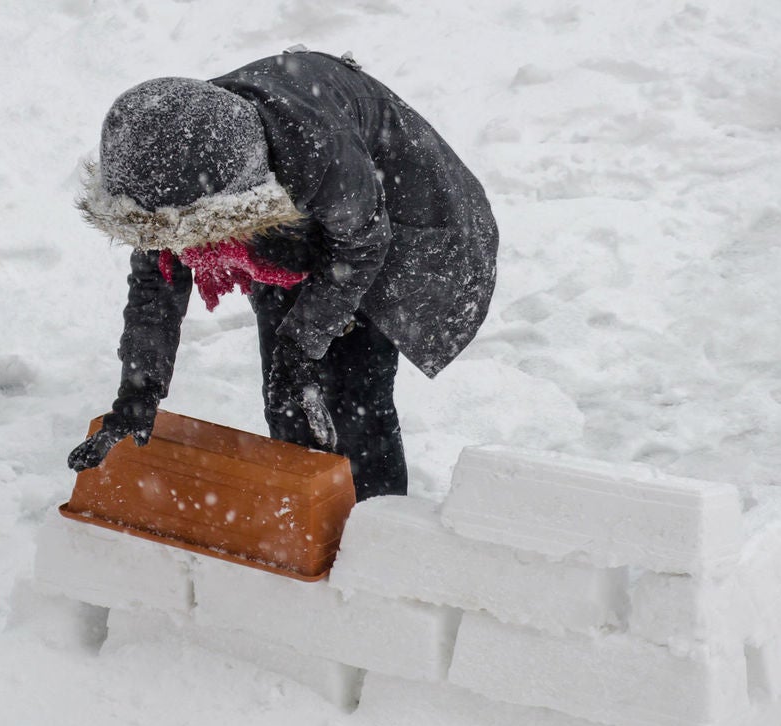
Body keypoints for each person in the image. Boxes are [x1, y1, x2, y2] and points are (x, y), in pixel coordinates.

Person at [67, 48, 499, 501]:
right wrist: (139, 390)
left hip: (396, 221)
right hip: (289, 232)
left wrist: (302, 343)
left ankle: (377, 529)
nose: (186, 251)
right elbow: (156, 282)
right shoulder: (173, 160)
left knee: (355, 398)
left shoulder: (316, 149)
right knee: (290, 396)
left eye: (197, 238)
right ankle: (302, 522)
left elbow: (362, 244)